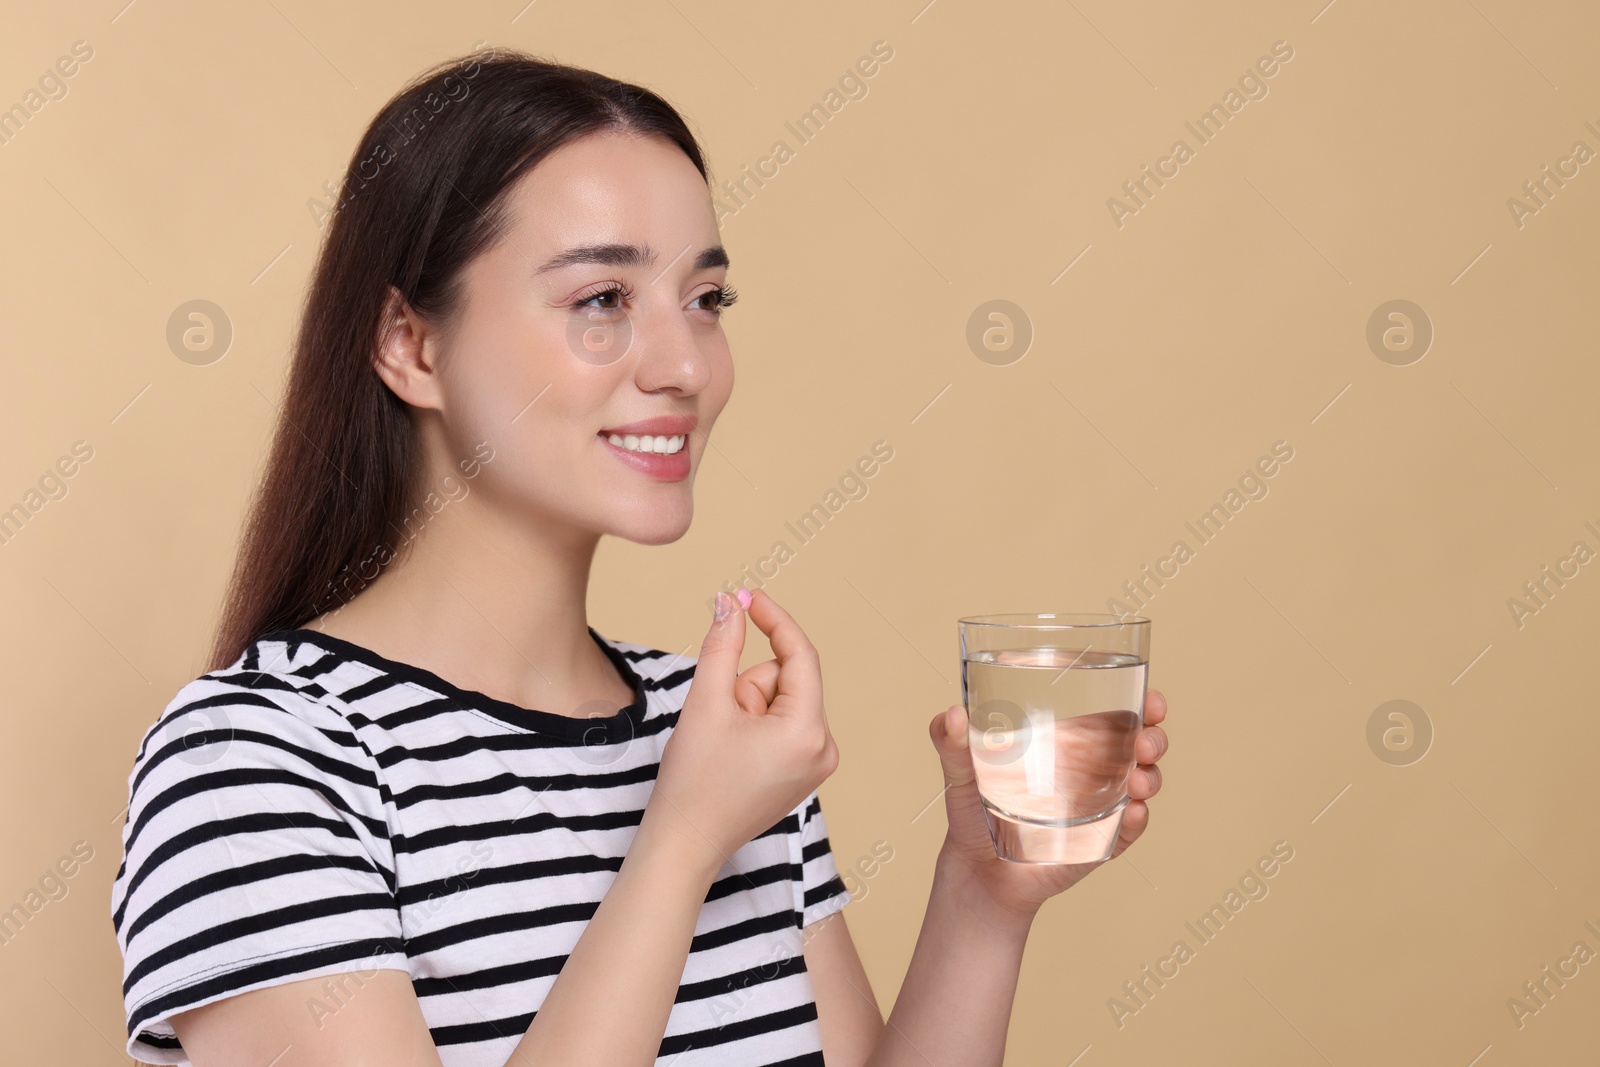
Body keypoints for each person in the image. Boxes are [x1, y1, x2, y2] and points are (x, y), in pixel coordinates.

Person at [110, 46, 1169, 1067]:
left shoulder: (710, 730)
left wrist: (981, 893)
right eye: (602, 301)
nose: (683, 364)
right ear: (411, 344)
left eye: (705, 301)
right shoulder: (256, 760)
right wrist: (677, 846)